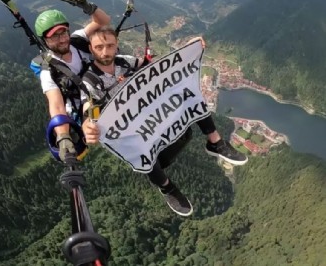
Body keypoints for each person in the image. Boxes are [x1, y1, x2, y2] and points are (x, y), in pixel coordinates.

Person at [80, 26, 248, 216]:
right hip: (130, 128)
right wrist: (88, 125)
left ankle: (215, 142)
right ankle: (167, 187)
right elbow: (89, 109)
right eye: (99, 47)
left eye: (110, 45)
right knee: (139, 151)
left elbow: (159, 71)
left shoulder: (125, 62)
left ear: (116, 44)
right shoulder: (89, 80)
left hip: (149, 112)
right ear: (91, 48)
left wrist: (186, 49)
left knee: (186, 92)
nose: (105, 52)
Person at [31, 0, 111, 161]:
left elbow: (103, 21)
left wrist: (88, 7)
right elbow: (57, 106)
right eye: (55, 36)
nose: (62, 39)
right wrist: (63, 137)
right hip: (85, 108)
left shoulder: (77, 40)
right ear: (44, 40)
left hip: (104, 90)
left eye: (64, 32)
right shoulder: (48, 70)